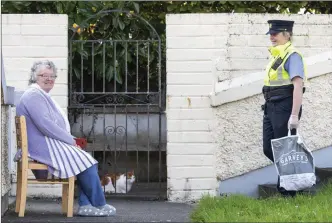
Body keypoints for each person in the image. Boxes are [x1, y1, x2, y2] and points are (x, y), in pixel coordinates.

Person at [14, 60, 116, 216]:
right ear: (35, 77)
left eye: (52, 76)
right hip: (43, 147)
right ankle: (97, 203)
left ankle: (86, 205)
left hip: (43, 145)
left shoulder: (39, 95)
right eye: (44, 75)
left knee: (85, 159)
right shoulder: (33, 96)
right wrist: (71, 141)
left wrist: (72, 140)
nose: (49, 79)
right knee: (87, 162)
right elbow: (46, 125)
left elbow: (49, 126)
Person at [262, 20, 307, 197]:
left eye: (276, 33)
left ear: (287, 34)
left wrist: (294, 115)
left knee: (284, 150)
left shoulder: (292, 55)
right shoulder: (276, 54)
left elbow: (298, 85)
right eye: (271, 34)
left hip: (284, 107)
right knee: (269, 148)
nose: (272, 37)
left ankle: (288, 193)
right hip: (270, 106)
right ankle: (296, 175)